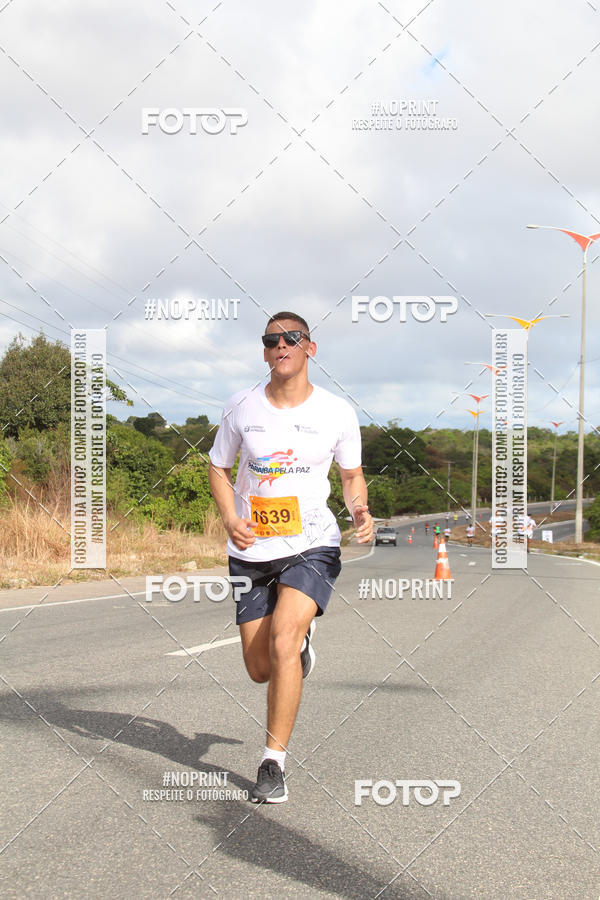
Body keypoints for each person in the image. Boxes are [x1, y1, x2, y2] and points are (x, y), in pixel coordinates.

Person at [208, 311, 373, 804]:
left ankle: (272, 763)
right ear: (265, 352)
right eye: (271, 340)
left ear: (309, 348)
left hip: (312, 544)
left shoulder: (336, 412)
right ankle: (298, 652)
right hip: (251, 548)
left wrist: (360, 509)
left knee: (283, 638)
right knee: (260, 667)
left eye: (291, 338)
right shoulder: (241, 406)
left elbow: (351, 475)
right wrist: (229, 517)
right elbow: (218, 467)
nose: (280, 346)